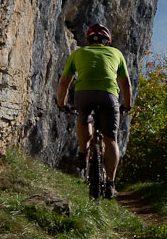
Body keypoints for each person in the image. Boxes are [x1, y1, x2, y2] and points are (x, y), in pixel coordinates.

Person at [56, 23, 132, 199]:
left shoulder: (78, 53)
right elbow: (126, 84)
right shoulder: (116, 54)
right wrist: (127, 105)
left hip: (84, 95)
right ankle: (111, 184)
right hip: (108, 96)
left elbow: (65, 81)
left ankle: (83, 154)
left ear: (88, 40)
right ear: (107, 42)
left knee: (83, 119)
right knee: (110, 139)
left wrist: (62, 103)